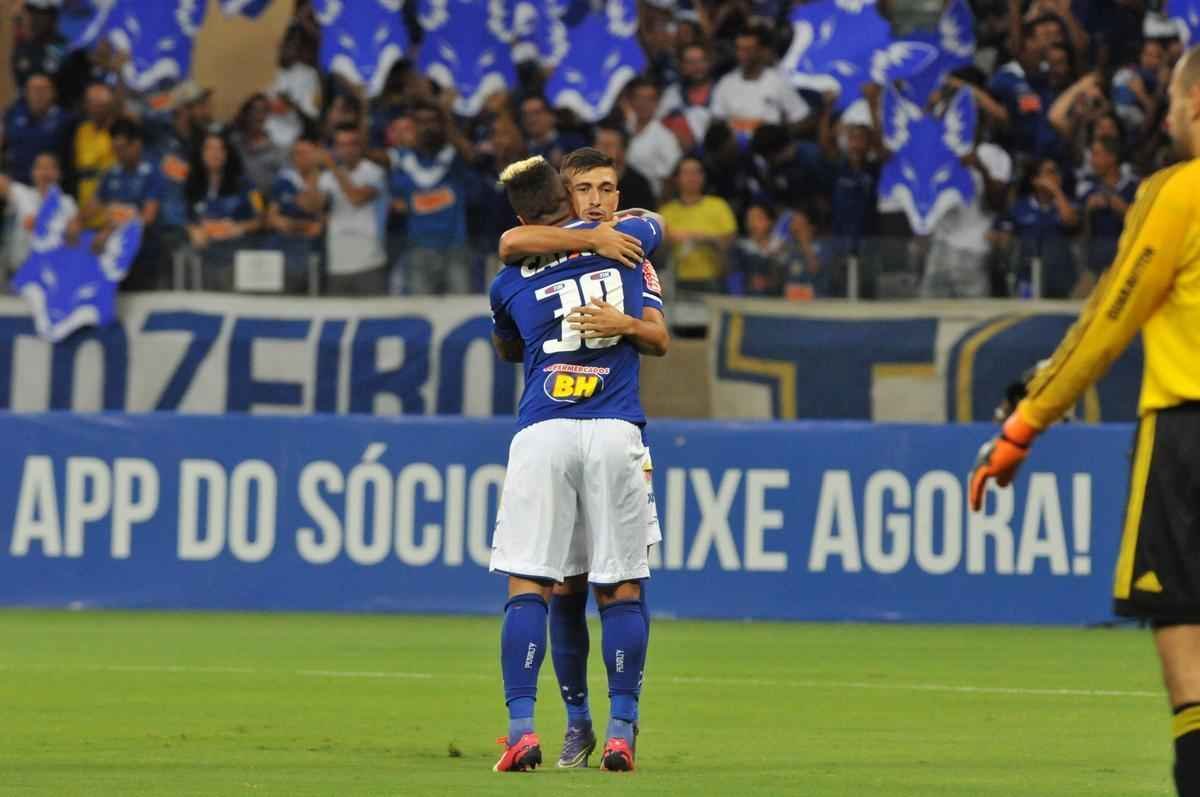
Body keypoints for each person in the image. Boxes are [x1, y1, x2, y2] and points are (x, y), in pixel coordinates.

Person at [969, 45, 1200, 797]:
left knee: (1186, 643)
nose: (1165, 115)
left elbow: (1109, 319)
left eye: (1170, 100)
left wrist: (1024, 423)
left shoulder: (1178, 193)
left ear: (1195, 107)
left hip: (1187, 439)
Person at [489, 155, 667, 774]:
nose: (597, 200)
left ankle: (522, 729)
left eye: (606, 189)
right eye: (585, 190)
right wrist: (593, 238)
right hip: (615, 431)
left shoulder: (509, 277)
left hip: (545, 430)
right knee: (613, 588)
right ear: (568, 196)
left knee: (532, 585)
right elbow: (654, 224)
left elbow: (507, 338)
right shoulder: (631, 252)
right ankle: (607, 729)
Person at [297, 123, 387, 296]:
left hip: (370, 262)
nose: (347, 150)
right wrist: (315, 169)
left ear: (361, 146)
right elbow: (312, 206)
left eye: (352, 144)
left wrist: (330, 164)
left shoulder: (374, 172)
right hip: (337, 265)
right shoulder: (328, 177)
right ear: (336, 148)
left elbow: (356, 198)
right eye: (342, 145)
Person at [90, 119, 165, 291]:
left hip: (143, 250)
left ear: (136, 144)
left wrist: (110, 230)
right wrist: (76, 221)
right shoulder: (111, 174)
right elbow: (94, 205)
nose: (118, 154)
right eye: (114, 149)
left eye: (122, 148)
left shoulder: (152, 172)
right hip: (112, 250)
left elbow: (148, 217)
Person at [185, 132, 263, 291]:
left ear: (227, 154)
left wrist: (239, 227)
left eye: (220, 149)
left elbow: (261, 219)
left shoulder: (246, 184)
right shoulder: (190, 184)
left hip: (235, 252)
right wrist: (192, 229)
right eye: (209, 149)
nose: (214, 153)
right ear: (200, 153)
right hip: (204, 253)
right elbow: (183, 216)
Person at [659, 156, 738, 293]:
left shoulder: (718, 206)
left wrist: (704, 238)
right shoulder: (666, 212)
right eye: (686, 173)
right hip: (676, 280)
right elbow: (657, 247)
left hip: (713, 280)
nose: (692, 177)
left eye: (696, 172)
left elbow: (729, 241)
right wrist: (670, 240)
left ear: (703, 177)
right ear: (677, 178)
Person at [2, 73, 70, 186]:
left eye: (43, 89)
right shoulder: (13, 115)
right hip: (17, 186)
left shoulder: (66, 120)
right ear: (26, 93)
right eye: (33, 89)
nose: (38, 94)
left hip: (51, 186)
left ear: (53, 92)